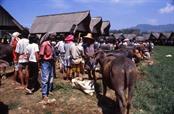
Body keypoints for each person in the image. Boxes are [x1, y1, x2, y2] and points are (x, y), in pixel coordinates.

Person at [39, 33, 56, 103]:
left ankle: (48, 91)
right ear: (49, 36)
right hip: (45, 62)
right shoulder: (44, 44)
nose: (54, 37)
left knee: (50, 77)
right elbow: (41, 54)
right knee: (45, 78)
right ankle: (44, 95)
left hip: (50, 62)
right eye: (53, 36)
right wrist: (41, 63)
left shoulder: (51, 44)